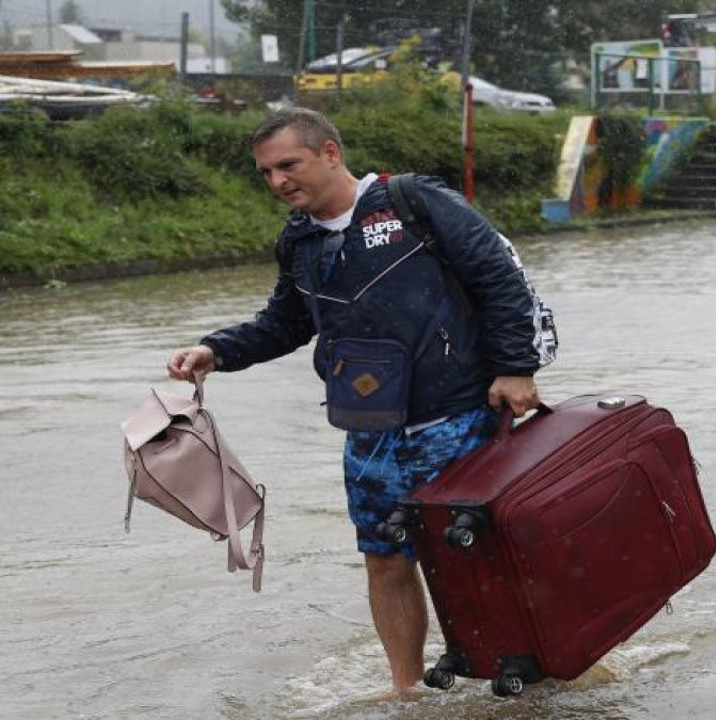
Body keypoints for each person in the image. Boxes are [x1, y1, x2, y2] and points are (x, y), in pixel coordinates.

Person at [166, 107, 544, 694]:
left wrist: (516, 368)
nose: (277, 182)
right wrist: (216, 351)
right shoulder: (298, 241)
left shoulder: (415, 202)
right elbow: (286, 323)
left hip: (460, 415)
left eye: (287, 165)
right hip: (371, 433)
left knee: (477, 558)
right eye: (265, 173)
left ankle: (534, 669)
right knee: (384, 558)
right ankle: (407, 689)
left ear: (331, 153)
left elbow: (500, 277)